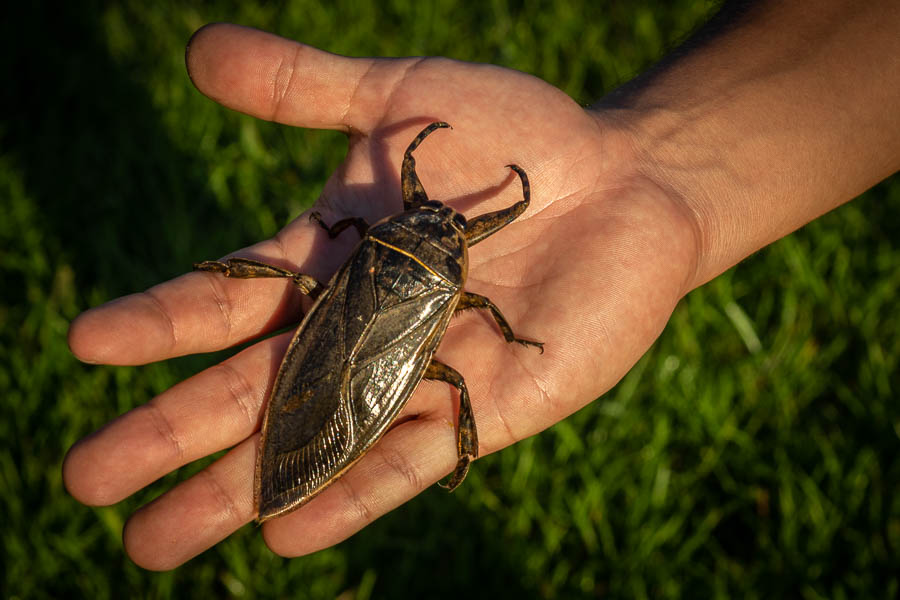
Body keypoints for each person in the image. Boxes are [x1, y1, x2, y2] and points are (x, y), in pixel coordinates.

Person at [62, 1, 900, 570]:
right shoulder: (446, 276)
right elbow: (398, 239)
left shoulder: (384, 236)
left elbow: (363, 230)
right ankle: (399, 450)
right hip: (392, 321)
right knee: (451, 376)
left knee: (380, 335)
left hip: (361, 315)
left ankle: (332, 450)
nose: (434, 210)